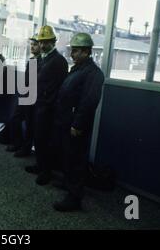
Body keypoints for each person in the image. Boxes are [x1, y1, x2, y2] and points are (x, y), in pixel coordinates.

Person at [52, 33, 104, 211]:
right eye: (72, 50)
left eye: (75, 51)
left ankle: (74, 197)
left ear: (86, 51)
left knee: (75, 159)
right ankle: (68, 183)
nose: (72, 54)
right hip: (66, 120)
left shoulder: (93, 73)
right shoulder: (78, 68)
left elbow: (89, 102)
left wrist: (78, 125)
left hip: (75, 124)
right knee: (67, 155)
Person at [25, 25, 68, 185]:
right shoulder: (44, 58)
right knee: (39, 138)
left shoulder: (59, 61)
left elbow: (59, 88)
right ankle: (40, 165)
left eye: (46, 42)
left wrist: (49, 106)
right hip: (39, 104)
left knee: (46, 140)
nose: (42, 45)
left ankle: (46, 172)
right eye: (41, 42)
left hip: (48, 108)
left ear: (53, 42)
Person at [6, 35, 41, 157]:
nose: (32, 47)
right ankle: (18, 143)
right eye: (31, 44)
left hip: (33, 97)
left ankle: (25, 149)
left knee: (30, 124)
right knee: (15, 118)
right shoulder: (31, 60)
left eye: (35, 44)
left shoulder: (42, 62)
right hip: (25, 94)